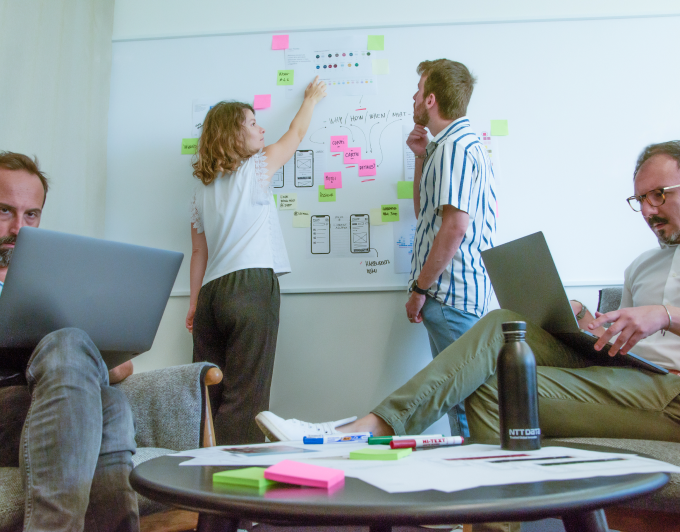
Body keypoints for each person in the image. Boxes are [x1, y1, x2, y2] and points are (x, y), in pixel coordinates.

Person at [256, 139, 680, 446]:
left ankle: (367, 433)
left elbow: (658, 319)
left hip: (673, 397)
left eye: (658, 195)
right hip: (633, 377)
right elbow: (626, 344)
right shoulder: (641, 265)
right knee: (503, 327)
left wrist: (665, 314)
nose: (647, 209)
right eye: (640, 198)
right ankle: (374, 430)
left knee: (494, 385)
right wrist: (586, 322)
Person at [0, 152, 138, 532]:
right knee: (77, 359)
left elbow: (122, 368)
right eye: (4, 211)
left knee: (110, 402)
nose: (19, 227)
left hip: (49, 408)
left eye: (31, 215)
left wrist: (86, 359)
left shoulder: (54, 282)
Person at [186, 77, 327, 445]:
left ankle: (205, 493)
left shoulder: (201, 189)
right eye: (252, 123)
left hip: (212, 296)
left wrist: (194, 303)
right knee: (246, 398)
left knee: (208, 397)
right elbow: (295, 134)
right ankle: (236, 494)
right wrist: (311, 99)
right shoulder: (255, 169)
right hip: (250, 287)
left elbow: (198, 251)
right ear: (233, 135)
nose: (261, 128)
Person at [404, 59, 496, 437]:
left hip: (450, 294)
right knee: (467, 402)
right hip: (457, 294)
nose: (412, 96)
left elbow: (454, 228)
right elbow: (425, 214)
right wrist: (421, 158)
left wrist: (420, 288)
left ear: (430, 99)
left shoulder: (454, 148)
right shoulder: (450, 147)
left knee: (465, 407)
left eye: (418, 89)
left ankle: (476, 489)